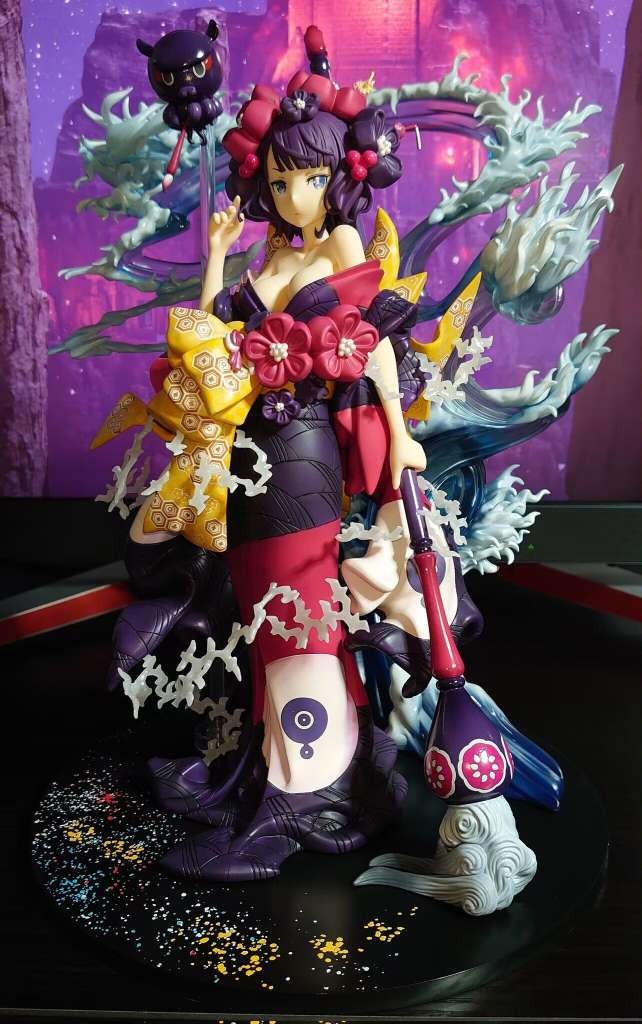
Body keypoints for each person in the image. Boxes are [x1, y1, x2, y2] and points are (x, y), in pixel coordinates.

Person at [98, 29, 482, 881]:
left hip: (305, 452)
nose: (292, 193)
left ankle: (309, 783)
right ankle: (271, 763)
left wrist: (398, 435)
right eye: (278, 180)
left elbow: (374, 348)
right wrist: (213, 258)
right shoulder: (271, 253)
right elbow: (210, 332)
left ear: (338, 174)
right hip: (249, 452)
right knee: (262, 606)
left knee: (300, 607)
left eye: (306, 177)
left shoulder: (342, 248)